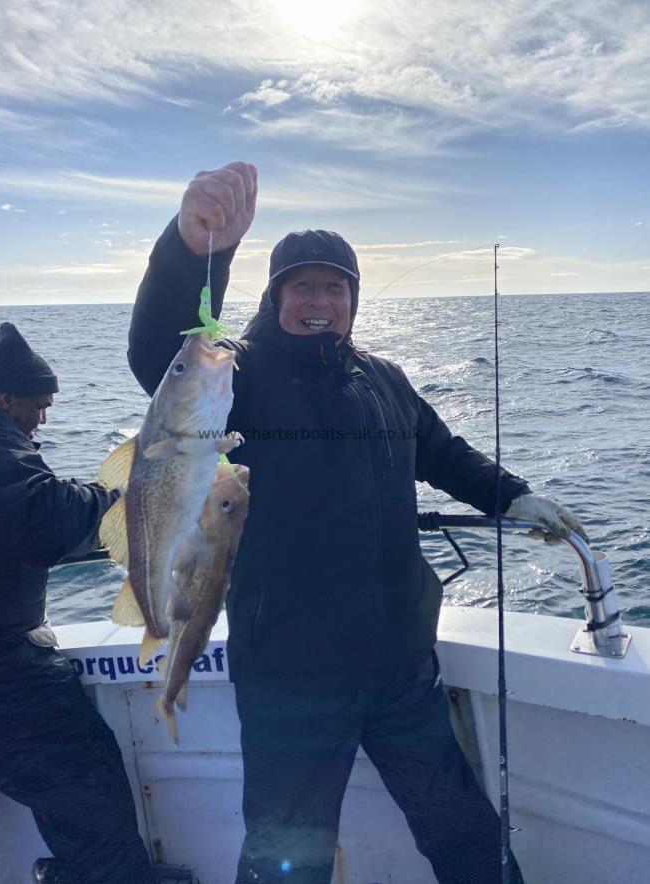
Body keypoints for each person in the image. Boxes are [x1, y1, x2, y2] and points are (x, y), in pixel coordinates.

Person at [128, 162, 587, 884]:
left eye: (333, 288)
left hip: (401, 669)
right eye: (301, 286)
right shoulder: (237, 375)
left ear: (352, 300)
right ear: (275, 294)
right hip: (290, 677)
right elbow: (160, 355)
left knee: (466, 836)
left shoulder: (382, 377)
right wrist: (189, 250)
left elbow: (441, 451)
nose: (319, 301)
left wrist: (512, 496)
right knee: (286, 862)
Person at [0, 323, 154, 884]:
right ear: (4, 397)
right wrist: (123, 498)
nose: (43, 420)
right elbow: (39, 514)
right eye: (38, 406)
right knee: (93, 809)